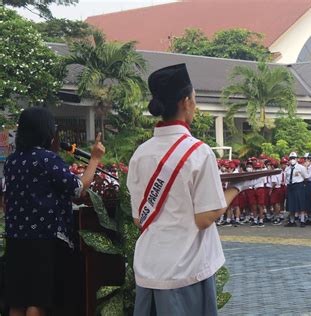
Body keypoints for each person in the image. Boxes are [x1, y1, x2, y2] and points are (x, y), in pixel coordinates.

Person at [127, 64, 248, 315]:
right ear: (185, 102)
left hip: (149, 267)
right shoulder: (198, 152)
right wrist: (237, 189)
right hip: (185, 269)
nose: (195, 104)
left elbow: (140, 217)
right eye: (194, 99)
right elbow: (205, 217)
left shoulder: (140, 153)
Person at [4, 107, 105, 316]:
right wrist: (94, 158)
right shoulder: (47, 159)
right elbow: (78, 187)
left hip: (15, 239)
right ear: (47, 132)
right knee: (37, 300)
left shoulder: (12, 161)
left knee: (18, 300)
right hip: (43, 240)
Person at [284, 152, 308, 227]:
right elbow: (286, 178)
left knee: (301, 204)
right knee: (291, 204)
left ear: (297, 159)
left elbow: (306, 178)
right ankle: (292, 221)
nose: (292, 160)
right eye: (291, 158)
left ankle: (302, 220)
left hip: (299, 186)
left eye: (293, 158)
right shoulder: (287, 168)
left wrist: (302, 185)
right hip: (290, 186)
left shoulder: (301, 167)